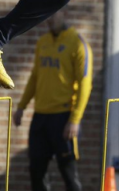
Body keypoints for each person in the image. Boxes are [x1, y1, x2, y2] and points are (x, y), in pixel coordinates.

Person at [13, 10, 93, 191]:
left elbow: (85, 85)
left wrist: (75, 120)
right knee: (36, 172)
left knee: (68, 172)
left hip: (63, 118)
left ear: (63, 12)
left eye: (52, 15)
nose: (48, 19)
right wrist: (21, 107)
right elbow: (35, 78)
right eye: (46, 16)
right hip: (40, 117)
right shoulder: (43, 43)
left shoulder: (78, 44)